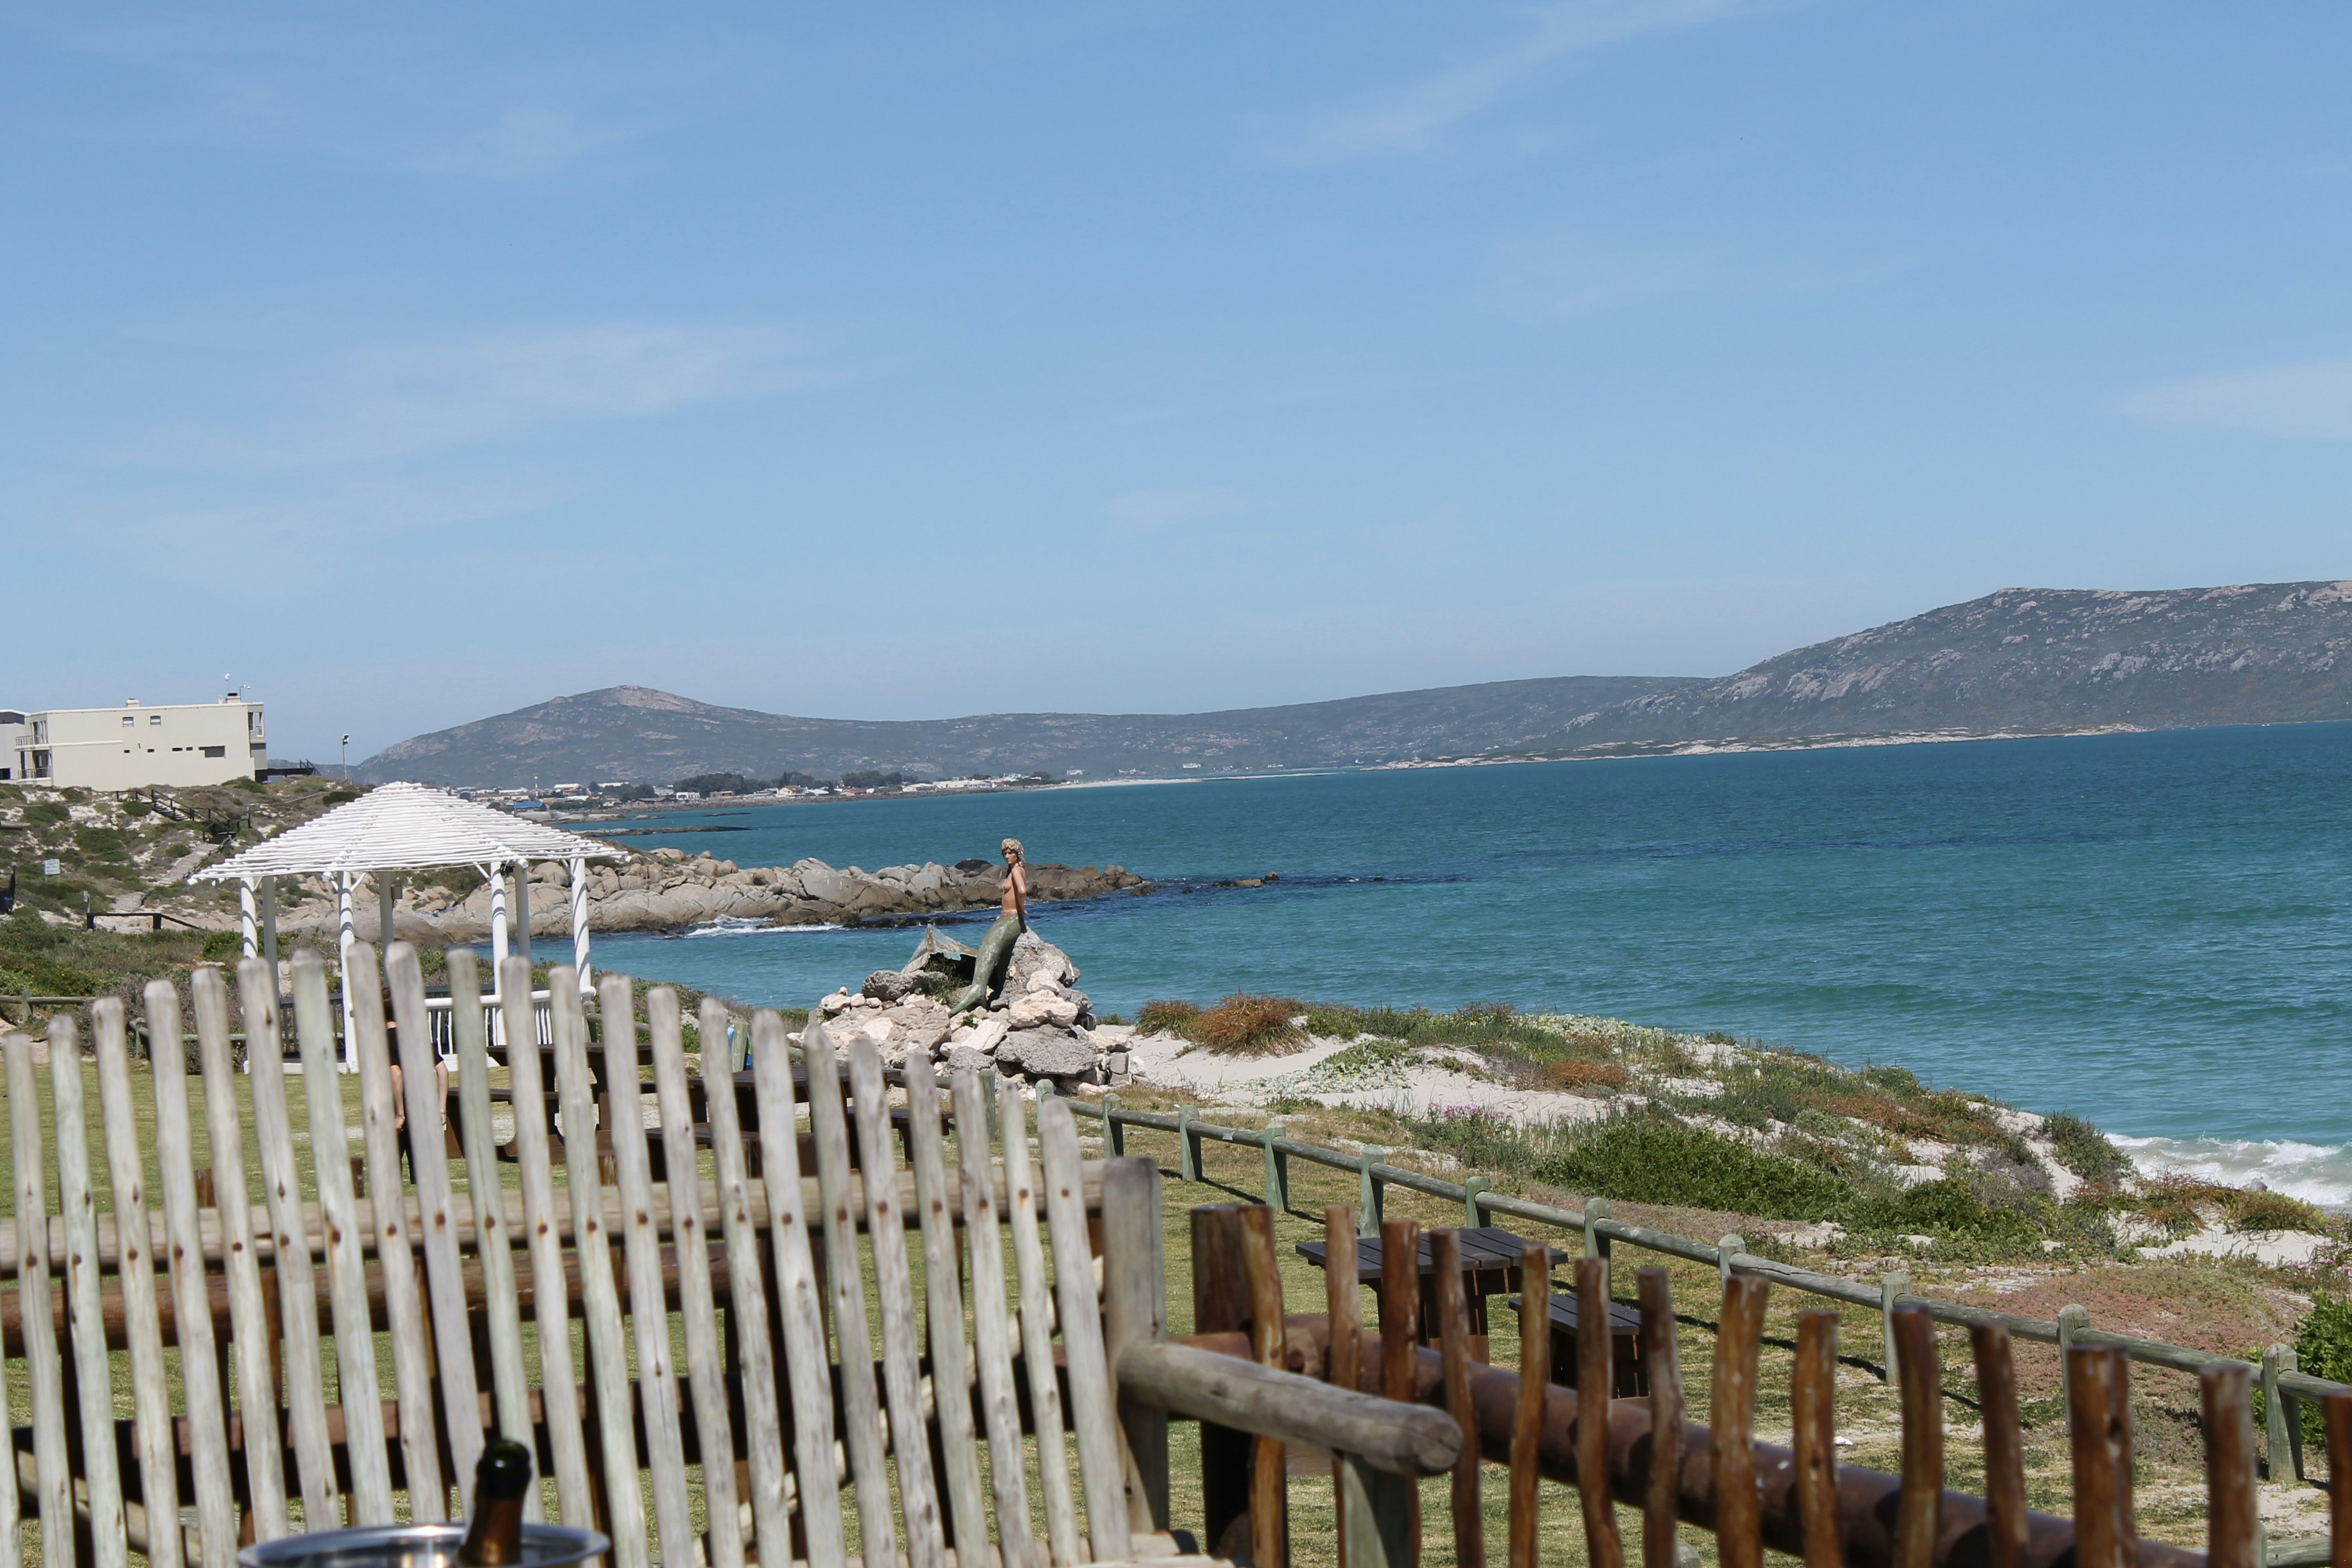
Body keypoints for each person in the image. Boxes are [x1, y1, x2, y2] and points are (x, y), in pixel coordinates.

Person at [949, 837, 1028, 1014]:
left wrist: (1021, 908)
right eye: (1005, 853)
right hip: (1006, 918)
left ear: (1018, 854)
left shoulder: (1017, 870)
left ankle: (978, 991)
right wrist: (1003, 913)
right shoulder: (1013, 870)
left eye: (1010, 853)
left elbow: (1022, 890)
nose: (1007, 856)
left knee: (989, 947)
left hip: (1012, 920)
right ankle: (979, 990)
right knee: (986, 946)